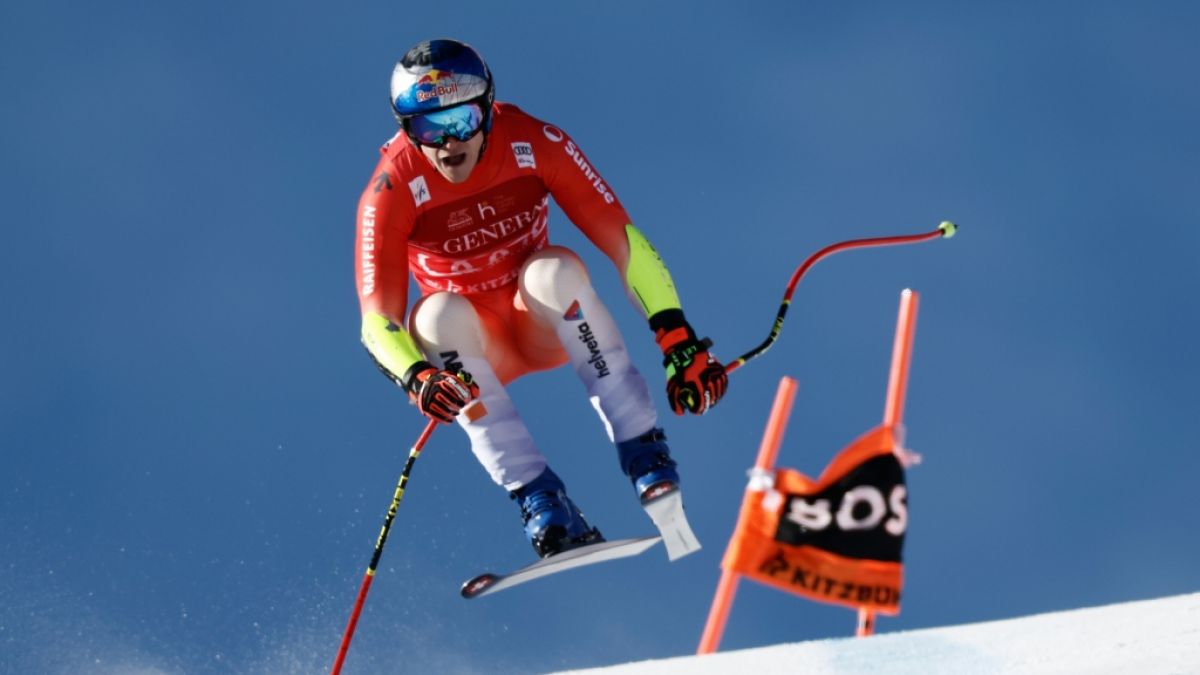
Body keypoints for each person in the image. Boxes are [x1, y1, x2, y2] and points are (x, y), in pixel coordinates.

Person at [354, 38, 728, 559]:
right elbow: (377, 320)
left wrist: (677, 338)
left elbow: (625, 242)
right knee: (434, 316)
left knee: (554, 269)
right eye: (425, 128)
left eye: (459, 121)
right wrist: (417, 377)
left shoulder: (533, 141)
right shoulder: (392, 188)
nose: (447, 145)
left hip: (543, 320)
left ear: (486, 107)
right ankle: (540, 499)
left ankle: (645, 452)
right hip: (476, 350)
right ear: (404, 128)